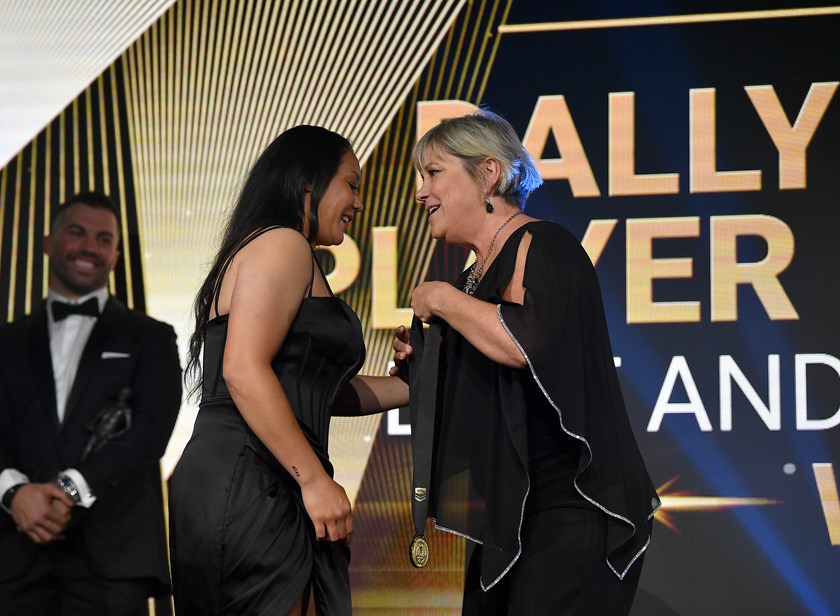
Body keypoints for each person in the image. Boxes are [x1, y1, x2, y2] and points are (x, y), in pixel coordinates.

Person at [391, 110, 660, 614]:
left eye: (433, 174)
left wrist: (441, 299)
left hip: (573, 505)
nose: (420, 193)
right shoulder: (477, 277)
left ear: (488, 173)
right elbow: (500, 395)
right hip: (512, 515)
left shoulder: (546, 245)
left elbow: (523, 345)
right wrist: (430, 372)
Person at [169, 125, 409, 615]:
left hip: (260, 473)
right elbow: (242, 368)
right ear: (308, 186)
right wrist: (314, 480)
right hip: (253, 476)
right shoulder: (283, 244)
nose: (359, 203)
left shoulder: (288, 252)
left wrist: (412, 386)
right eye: (352, 185)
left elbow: (318, 391)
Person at [0, 191, 182, 615]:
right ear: (49, 242)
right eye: (77, 233)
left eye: (104, 239)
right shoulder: (5, 342)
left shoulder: (150, 337)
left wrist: (68, 488)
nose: (89, 247)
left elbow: (152, 431)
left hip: (114, 558)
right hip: (13, 554)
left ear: (116, 255)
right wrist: (15, 493)